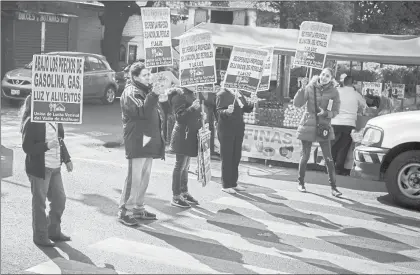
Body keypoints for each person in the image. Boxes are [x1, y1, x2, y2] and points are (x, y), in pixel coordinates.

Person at [21, 95, 73, 247]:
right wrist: (47, 146)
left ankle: (53, 231)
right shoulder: (32, 121)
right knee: (40, 203)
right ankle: (40, 236)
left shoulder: (56, 117)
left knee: (59, 199)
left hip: (55, 166)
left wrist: (67, 158)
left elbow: (60, 140)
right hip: (39, 168)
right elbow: (27, 148)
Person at [118, 62, 165, 226]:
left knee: (144, 177)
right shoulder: (131, 92)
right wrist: (154, 94)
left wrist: (156, 93)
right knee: (134, 178)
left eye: (149, 74)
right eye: (145, 75)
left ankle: (138, 207)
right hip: (137, 140)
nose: (148, 77)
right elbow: (142, 112)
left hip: (148, 140)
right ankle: (125, 211)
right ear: (135, 76)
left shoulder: (146, 91)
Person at [293, 67, 343, 197]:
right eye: (323, 74)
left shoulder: (334, 92)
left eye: (327, 76)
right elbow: (297, 104)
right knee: (305, 155)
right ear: (319, 74)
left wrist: (326, 113)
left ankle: (333, 187)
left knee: (328, 158)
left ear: (331, 79)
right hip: (309, 123)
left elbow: (336, 110)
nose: (324, 77)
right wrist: (301, 88)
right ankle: (301, 183)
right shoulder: (310, 87)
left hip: (324, 126)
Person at [167, 87, 206, 208]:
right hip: (182, 135)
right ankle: (176, 195)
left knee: (186, 166)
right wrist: (192, 108)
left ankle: (184, 192)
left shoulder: (192, 94)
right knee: (180, 166)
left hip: (190, 135)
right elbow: (179, 117)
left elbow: (191, 114)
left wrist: (202, 116)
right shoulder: (179, 95)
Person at [216, 88, 254, 194]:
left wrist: (252, 103)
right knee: (227, 156)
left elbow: (245, 108)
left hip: (238, 128)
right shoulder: (222, 93)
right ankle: (226, 184)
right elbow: (218, 111)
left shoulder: (238, 93)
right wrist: (226, 111)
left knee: (236, 156)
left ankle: (233, 182)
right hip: (226, 129)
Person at [331, 75, 367, 175]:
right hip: (349, 124)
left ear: (344, 82)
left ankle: (329, 167)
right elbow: (365, 106)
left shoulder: (337, 91)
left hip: (335, 122)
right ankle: (338, 169)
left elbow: (329, 104)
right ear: (353, 83)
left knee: (333, 146)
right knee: (343, 147)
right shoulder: (356, 94)